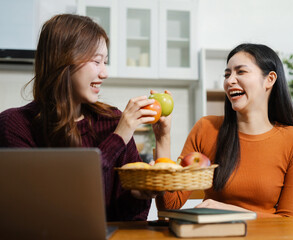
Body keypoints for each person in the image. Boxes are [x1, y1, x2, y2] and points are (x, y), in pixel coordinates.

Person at [0, 14, 171, 221]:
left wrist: (139, 195)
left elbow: (130, 220)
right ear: (63, 60)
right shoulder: (15, 125)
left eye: (105, 62)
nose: (105, 73)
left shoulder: (112, 120)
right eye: (97, 61)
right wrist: (117, 139)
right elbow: (52, 207)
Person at [156, 43, 293, 217]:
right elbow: (169, 206)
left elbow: (290, 220)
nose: (230, 81)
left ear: (270, 79)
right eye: (227, 74)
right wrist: (163, 137)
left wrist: (227, 210)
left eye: (241, 72)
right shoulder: (206, 128)